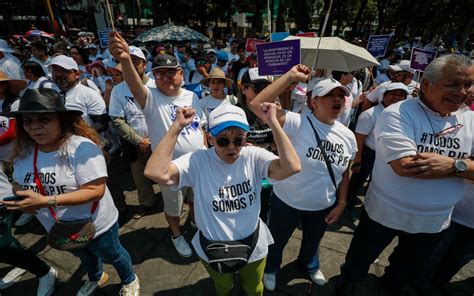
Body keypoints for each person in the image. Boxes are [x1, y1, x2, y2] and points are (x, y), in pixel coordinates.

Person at [336, 54, 474, 296]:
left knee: (406, 269)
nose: (462, 92)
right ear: (427, 85)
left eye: (468, 85)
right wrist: (464, 165)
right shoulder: (399, 113)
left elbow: (436, 166)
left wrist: (454, 166)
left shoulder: (471, 120)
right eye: (453, 84)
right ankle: (349, 283)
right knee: (360, 258)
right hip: (384, 212)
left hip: (434, 222)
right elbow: (405, 166)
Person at [144, 103, 301, 296]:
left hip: (253, 244)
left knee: (254, 287)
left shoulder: (253, 156)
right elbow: (155, 172)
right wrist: (177, 126)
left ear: (246, 138)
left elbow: (292, 166)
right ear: (210, 138)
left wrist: (273, 122)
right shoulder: (198, 160)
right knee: (223, 287)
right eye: (223, 141)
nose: (232, 147)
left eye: (238, 140)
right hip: (212, 247)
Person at [2, 88, 140, 296]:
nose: (34, 127)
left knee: (112, 253)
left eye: (44, 119)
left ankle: (129, 279)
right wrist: (21, 196)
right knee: (84, 257)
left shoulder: (81, 148)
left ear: (62, 120)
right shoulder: (24, 151)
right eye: (28, 121)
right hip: (58, 227)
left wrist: (45, 201)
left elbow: (95, 190)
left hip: (95, 224)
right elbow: (19, 183)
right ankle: (96, 277)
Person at [249, 67, 357, 291]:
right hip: (288, 201)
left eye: (340, 96)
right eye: (329, 95)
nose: (337, 100)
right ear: (313, 102)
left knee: (313, 240)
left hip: (322, 204)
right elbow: (257, 105)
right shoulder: (297, 122)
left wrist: (342, 202)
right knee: (276, 239)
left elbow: (345, 171)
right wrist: (289, 76)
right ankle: (270, 267)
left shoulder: (348, 135)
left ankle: (309, 264)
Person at [109, 31, 206, 258]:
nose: (165, 77)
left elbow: (201, 127)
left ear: (181, 74)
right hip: (169, 168)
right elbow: (134, 85)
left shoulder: (193, 97)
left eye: (170, 72)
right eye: (159, 74)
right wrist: (125, 59)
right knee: (173, 206)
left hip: (197, 164)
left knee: (194, 199)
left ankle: (194, 222)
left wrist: (203, 150)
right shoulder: (150, 97)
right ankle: (176, 234)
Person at [345, 83, 409, 220]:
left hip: (388, 157)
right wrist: (357, 160)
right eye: (393, 94)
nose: (396, 98)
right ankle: (346, 207)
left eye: (401, 95)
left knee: (376, 185)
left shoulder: (404, 116)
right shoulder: (370, 114)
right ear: (384, 96)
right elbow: (359, 138)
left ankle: (366, 211)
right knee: (356, 183)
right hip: (368, 154)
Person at [108, 46, 158, 219]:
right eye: (126, 61)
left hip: (160, 141)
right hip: (134, 144)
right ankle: (147, 204)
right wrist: (139, 140)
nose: (130, 64)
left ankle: (174, 204)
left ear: (145, 64)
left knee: (167, 175)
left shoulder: (156, 85)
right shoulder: (118, 90)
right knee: (139, 178)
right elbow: (117, 119)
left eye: (135, 61)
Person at [0, 165, 57, 295]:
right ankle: (21, 264)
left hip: (2, 202)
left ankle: (44, 271)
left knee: (3, 247)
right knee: (5, 244)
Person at [0, 72, 32, 227]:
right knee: (8, 179)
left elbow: (13, 132)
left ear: (5, 85)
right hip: (2, 153)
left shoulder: (14, 102)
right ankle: (12, 203)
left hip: (18, 149)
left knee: (24, 178)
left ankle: (29, 209)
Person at [50, 55, 108, 133]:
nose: (59, 74)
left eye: (65, 71)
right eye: (55, 70)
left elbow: (102, 124)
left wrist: (77, 135)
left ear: (77, 74)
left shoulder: (89, 94)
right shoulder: (49, 93)